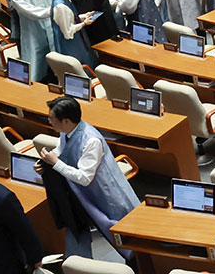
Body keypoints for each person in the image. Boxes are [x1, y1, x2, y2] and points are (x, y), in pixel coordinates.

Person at [36, 96, 141, 259]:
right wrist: (45, 163)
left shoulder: (91, 140)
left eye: (52, 118)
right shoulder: (67, 131)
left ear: (66, 121)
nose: (49, 121)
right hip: (84, 192)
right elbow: (61, 150)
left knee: (125, 236)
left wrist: (55, 163)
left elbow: (85, 178)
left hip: (106, 194)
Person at [8, 0, 55, 82]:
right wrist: (56, 10)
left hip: (51, 28)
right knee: (35, 63)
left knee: (54, 59)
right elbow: (33, 13)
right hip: (33, 32)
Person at [50, 0, 97, 68]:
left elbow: (70, 19)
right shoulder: (60, 6)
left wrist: (83, 16)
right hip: (71, 44)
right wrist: (84, 24)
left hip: (78, 39)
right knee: (77, 67)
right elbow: (68, 32)